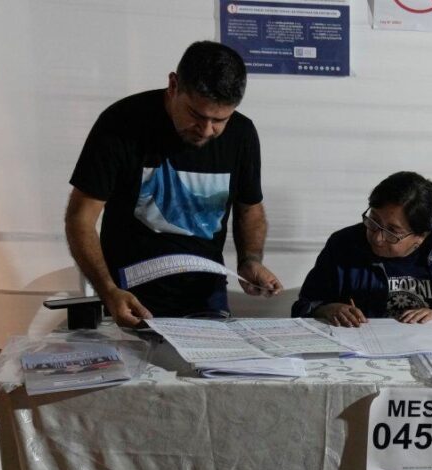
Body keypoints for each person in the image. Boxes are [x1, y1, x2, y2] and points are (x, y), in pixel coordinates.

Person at [65, 41, 283, 327]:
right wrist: (108, 290)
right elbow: (80, 217)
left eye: (219, 120)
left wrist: (250, 260)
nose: (207, 130)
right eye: (196, 115)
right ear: (173, 85)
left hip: (206, 295)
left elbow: (250, 208)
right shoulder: (121, 124)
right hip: (130, 295)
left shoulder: (241, 134)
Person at [292, 171, 432, 325]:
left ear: (420, 235)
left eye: (392, 232)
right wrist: (327, 309)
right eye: (373, 222)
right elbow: (304, 305)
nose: (377, 237)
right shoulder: (343, 244)